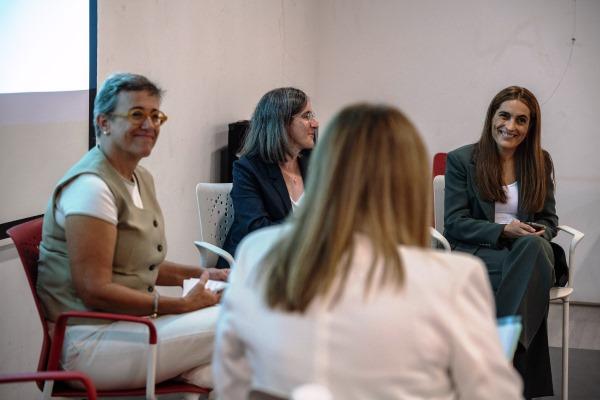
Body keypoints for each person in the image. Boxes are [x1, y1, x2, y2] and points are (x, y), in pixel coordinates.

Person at [213, 103, 523, 399]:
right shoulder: (454, 278)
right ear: (411, 183)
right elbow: (492, 393)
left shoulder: (257, 252)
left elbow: (231, 382)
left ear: (323, 169)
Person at [36, 73, 228, 391]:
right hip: (90, 342)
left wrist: (202, 273)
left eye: (156, 116)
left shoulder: (139, 177)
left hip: (130, 328)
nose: (150, 125)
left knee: (232, 366)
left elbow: (135, 266)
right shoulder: (91, 187)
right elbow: (93, 289)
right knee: (246, 322)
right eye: (137, 114)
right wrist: (178, 305)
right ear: (104, 122)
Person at [444, 86, 557, 398]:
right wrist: (504, 231)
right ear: (491, 117)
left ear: (530, 127)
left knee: (533, 249)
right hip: (483, 252)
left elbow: (550, 222)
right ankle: (508, 371)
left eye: (522, 120)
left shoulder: (539, 161)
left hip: (528, 250)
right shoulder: (461, 160)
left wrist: (534, 232)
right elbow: (454, 223)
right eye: (504, 115)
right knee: (530, 278)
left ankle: (491, 358)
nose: (511, 126)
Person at [219, 87, 318, 266]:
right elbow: (256, 229)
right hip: (255, 265)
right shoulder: (248, 168)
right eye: (306, 116)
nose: (315, 123)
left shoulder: (315, 163)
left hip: (299, 264)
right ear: (282, 123)